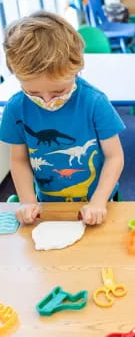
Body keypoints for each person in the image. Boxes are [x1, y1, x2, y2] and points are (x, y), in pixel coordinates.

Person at [0, 11, 125, 225]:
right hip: (47, 204)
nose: (47, 101)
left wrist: (98, 202)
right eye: (34, 93)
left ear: (76, 70)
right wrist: (27, 201)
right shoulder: (15, 108)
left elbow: (114, 157)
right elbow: (19, 160)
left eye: (58, 92)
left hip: (101, 201)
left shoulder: (94, 103)